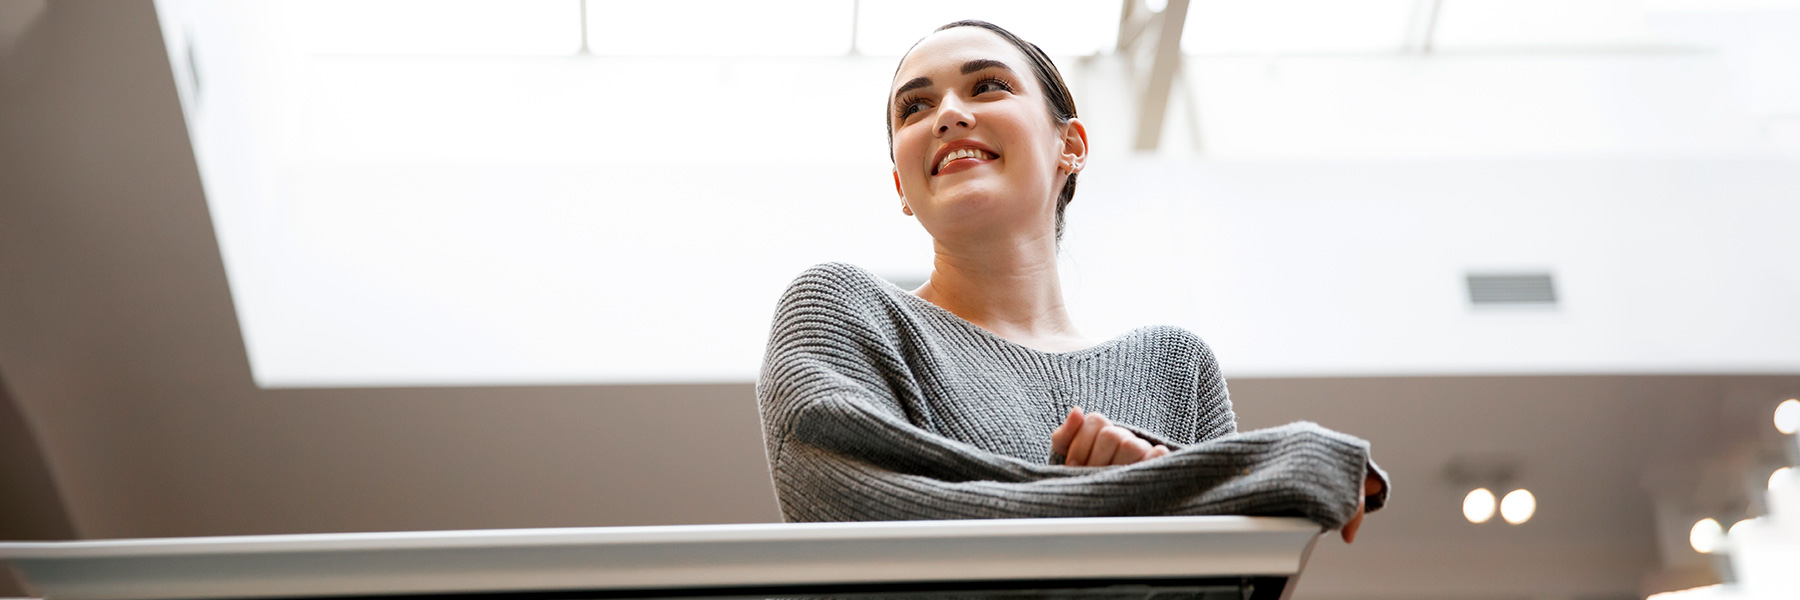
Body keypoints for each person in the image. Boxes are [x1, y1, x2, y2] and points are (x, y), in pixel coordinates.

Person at [755, 20, 1388, 543]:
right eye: (914, 107)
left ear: (1072, 146)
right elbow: (858, 513)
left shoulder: (1175, 367)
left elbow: (1233, 565)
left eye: (988, 86)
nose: (947, 114)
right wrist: (1252, 469)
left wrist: (1156, 489)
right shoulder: (840, 310)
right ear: (901, 183)